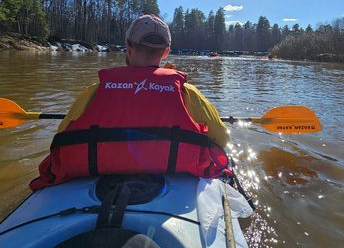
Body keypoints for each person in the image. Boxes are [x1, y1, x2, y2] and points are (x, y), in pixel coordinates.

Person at [30, 15, 229, 190]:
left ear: (128, 46)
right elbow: (221, 139)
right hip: (174, 174)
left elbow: (60, 138)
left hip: (96, 174)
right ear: (166, 52)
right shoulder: (187, 92)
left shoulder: (96, 90)